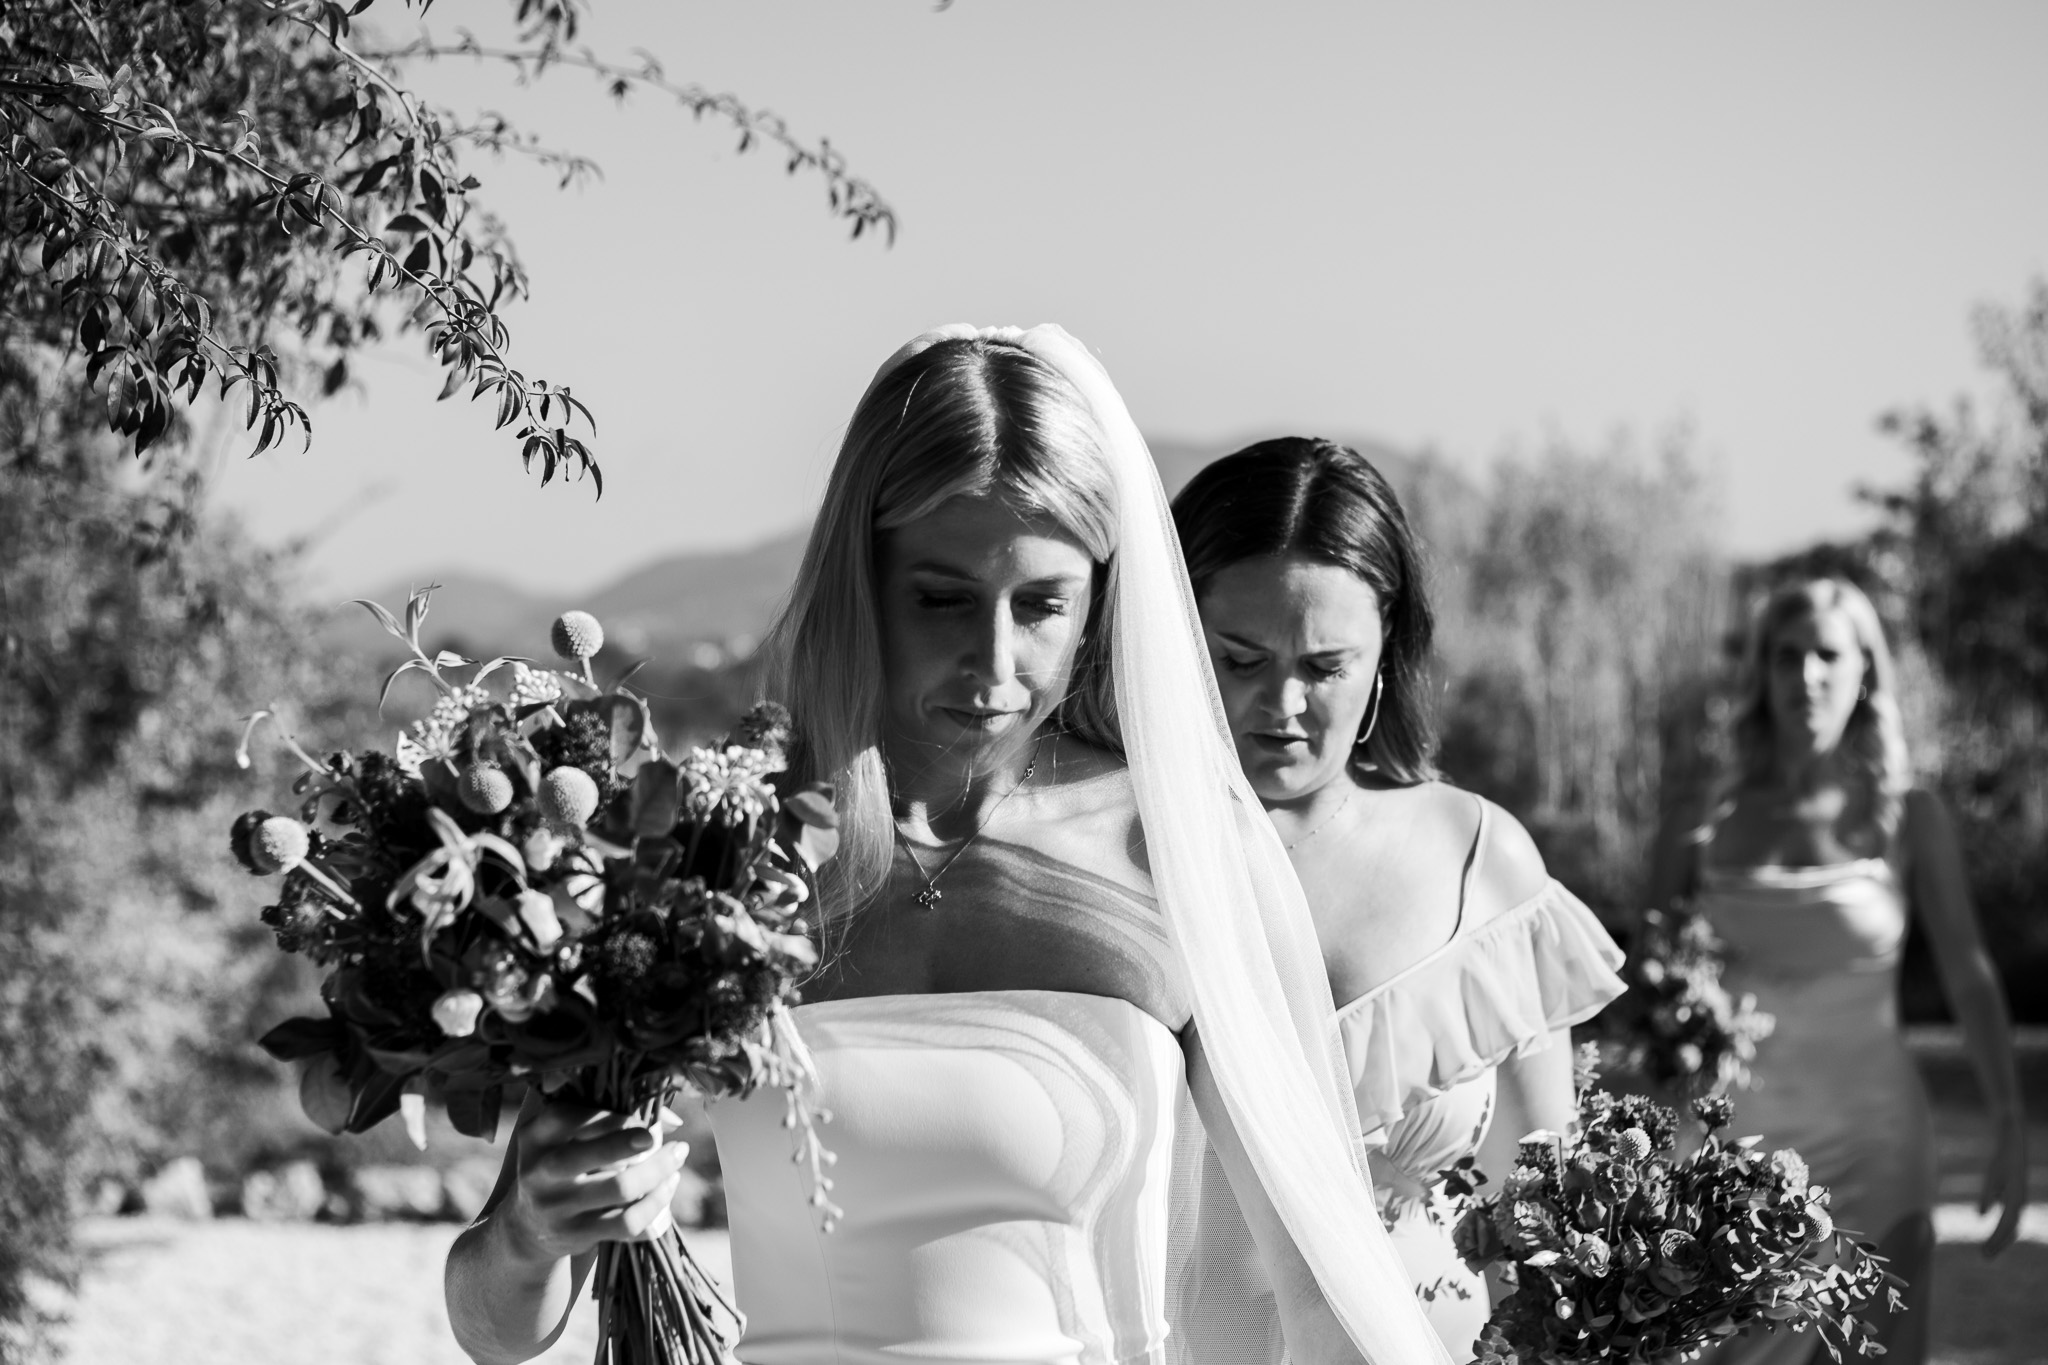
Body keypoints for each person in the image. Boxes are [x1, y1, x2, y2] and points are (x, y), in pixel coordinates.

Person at [444, 330, 1453, 1365]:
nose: (996, 661)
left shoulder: (1183, 851)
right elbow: (493, 1325)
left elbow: (1316, 1286)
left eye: (1043, 605)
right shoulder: (709, 851)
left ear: (1099, 599)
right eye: (941, 599)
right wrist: (528, 1231)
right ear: (860, 579)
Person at [1169, 437, 1628, 1363]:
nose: (1283, 703)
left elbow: (1540, 1226)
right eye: (1241, 659)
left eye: (1325, 665)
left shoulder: (1478, 859)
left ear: (1388, 652)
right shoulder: (1118, 862)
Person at [1649, 576, 2029, 1365]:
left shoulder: (1909, 814)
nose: (1807, 674)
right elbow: (1645, 986)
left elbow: (1967, 973)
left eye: (1829, 653)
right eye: (1788, 656)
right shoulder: (1702, 816)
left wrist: (2009, 1122)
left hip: (1876, 1147)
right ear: (1763, 671)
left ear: (1865, 671)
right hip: (1727, 1160)